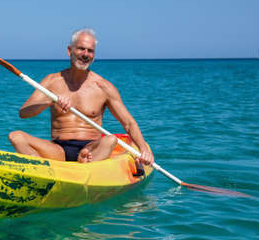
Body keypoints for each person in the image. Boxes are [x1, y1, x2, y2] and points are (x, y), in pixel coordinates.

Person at [8, 28, 154, 165]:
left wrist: (144, 149)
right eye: (81, 49)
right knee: (16, 136)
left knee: (110, 140)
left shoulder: (103, 87)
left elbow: (129, 123)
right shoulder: (51, 81)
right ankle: (42, 171)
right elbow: (24, 113)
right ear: (69, 51)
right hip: (58, 149)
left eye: (90, 51)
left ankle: (85, 163)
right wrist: (49, 100)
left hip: (91, 148)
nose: (85, 54)